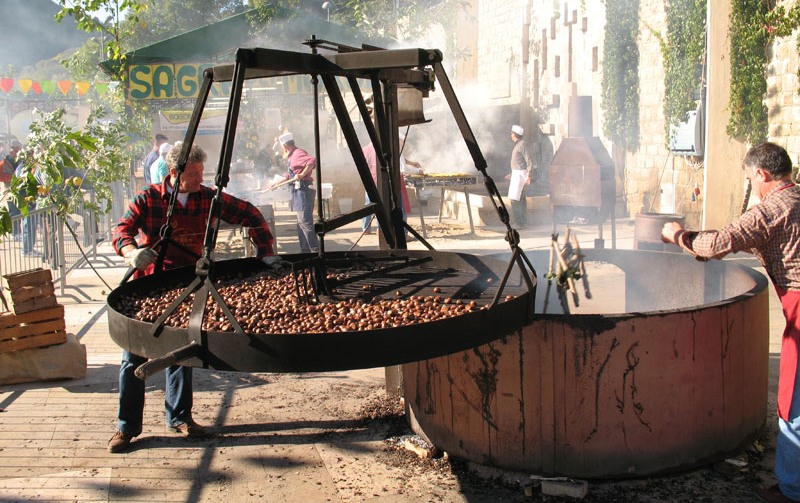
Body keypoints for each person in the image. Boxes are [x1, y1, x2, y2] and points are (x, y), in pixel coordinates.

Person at [108, 141, 276, 453]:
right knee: (134, 355)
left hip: (188, 285)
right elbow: (120, 230)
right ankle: (126, 427)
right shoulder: (147, 198)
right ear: (174, 173)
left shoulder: (208, 199)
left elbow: (251, 214)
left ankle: (180, 418)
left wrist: (265, 256)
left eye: (201, 171)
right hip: (150, 286)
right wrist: (132, 252)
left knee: (181, 349)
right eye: (194, 173)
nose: (201, 178)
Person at [660, 142, 800, 503]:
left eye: (750, 178)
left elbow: (718, 243)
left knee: (793, 405)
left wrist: (677, 235)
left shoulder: (770, 210)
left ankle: (792, 489)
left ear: (762, 174)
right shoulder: (796, 198)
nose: (750, 185)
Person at [270, 132, 319, 253]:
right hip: (298, 192)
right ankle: (305, 249)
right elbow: (290, 175)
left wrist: (302, 174)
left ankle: (315, 251)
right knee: (300, 222)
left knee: (305, 222)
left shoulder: (298, 153)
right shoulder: (292, 156)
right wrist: (276, 183)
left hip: (303, 191)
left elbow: (311, 161)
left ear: (285, 146)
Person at [505, 125, 536, 228]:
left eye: (511, 133)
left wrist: (529, 175)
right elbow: (520, 162)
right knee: (520, 198)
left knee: (515, 198)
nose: (511, 135)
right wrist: (513, 173)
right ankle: (522, 222)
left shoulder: (522, 144)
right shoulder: (519, 144)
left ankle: (519, 222)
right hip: (517, 174)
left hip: (520, 174)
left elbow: (529, 160)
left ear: (514, 134)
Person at [2, 140, 22, 239]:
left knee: (19, 211)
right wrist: (12, 177)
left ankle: (18, 232)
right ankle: (15, 233)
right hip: (9, 189)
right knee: (13, 211)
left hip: (20, 189)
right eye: (15, 149)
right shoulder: (5, 162)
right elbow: (2, 176)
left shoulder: (21, 161)